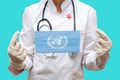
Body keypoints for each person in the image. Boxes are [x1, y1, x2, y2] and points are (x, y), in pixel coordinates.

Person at [8, 0, 112, 80]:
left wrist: (101, 57)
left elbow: (88, 59)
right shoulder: (31, 12)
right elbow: (27, 58)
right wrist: (17, 61)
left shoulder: (87, 12)